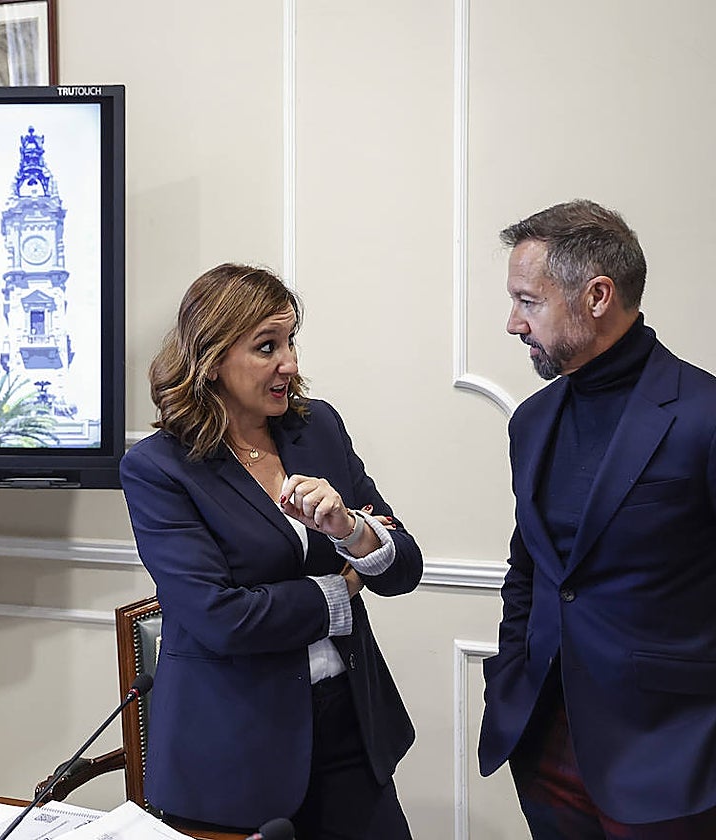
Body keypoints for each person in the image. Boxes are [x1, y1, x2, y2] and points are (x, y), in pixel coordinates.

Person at [119, 263, 423, 838]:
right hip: (235, 750)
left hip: (348, 727)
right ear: (211, 359)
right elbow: (220, 617)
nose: (290, 364)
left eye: (290, 342)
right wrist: (339, 591)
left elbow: (403, 567)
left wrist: (349, 530)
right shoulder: (158, 468)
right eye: (267, 347)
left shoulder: (318, 426)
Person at [478, 200, 716, 838]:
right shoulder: (532, 420)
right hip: (545, 746)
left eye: (528, 301)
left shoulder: (704, 414)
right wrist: (508, 674)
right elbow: (528, 570)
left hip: (676, 761)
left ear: (597, 296)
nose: (512, 323)